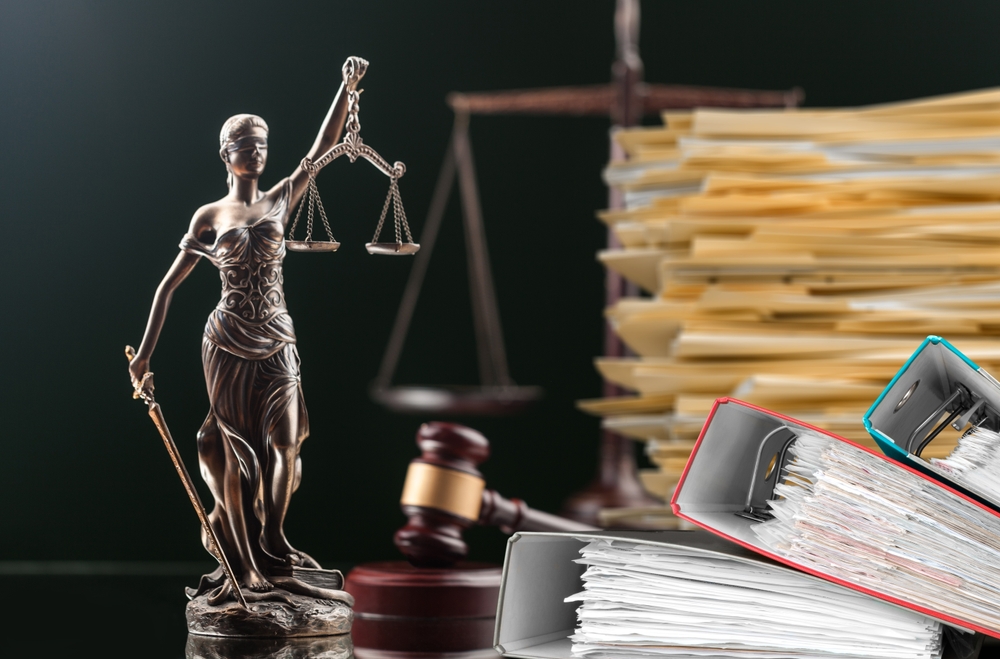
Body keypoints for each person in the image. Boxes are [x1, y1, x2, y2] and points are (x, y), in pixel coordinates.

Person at [129, 57, 368, 597]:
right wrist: (145, 356)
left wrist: (345, 87)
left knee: (287, 444)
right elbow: (169, 287)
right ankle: (246, 563)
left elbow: (320, 153)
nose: (254, 152)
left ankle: (275, 539)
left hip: (278, 337)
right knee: (235, 452)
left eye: (260, 144)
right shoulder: (208, 216)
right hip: (228, 340)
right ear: (226, 154)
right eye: (244, 145)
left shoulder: (282, 197)